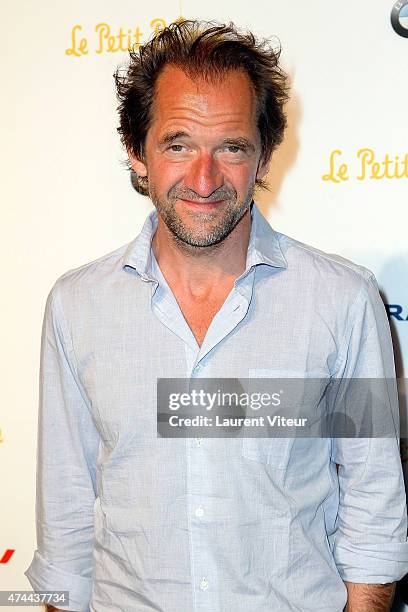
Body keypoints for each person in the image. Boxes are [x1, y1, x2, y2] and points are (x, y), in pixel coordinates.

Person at [25, 19, 408, 612]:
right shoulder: (77, 306)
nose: (204, 180)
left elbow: (374, 505)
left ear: (262, 158)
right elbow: (67, 519)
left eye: (231, 147)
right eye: (178, 144)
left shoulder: (346, 299)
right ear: (137, 152)